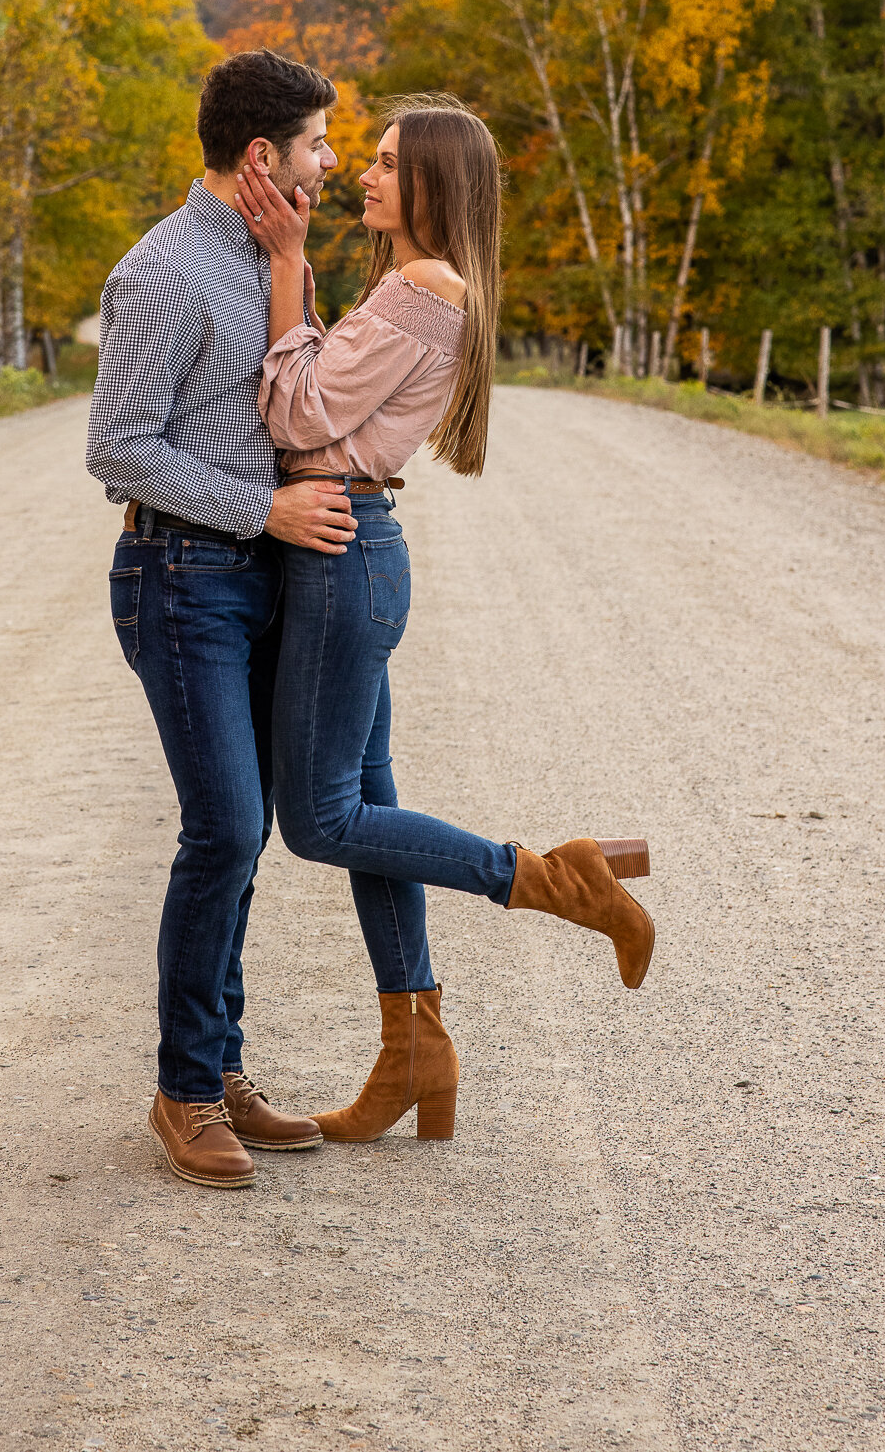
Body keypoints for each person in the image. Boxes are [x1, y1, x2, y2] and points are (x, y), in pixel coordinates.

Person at [233, 93, 654, 1146]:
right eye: (363, 157)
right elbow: (326, 395)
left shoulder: (422, 289)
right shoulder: (412, 286)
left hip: (341, 555)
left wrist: (286, 265)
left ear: (432, 184)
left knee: (320, 820)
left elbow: (294, 412)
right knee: (369, 809)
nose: (362, 175)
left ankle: (555, 878)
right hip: (351, 548)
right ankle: (414, 1041)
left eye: (384, 162)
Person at [86, 49, 362, 1191]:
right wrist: (263, 506)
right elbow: (116, 449)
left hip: (257, 578)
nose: (333, 161)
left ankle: (222, 1065)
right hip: (179, 574)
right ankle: (183, 1090)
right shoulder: (160, 272)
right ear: (264, 155)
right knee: (225, 827)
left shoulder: (274, 255)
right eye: (317, 144)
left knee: (244, 835)